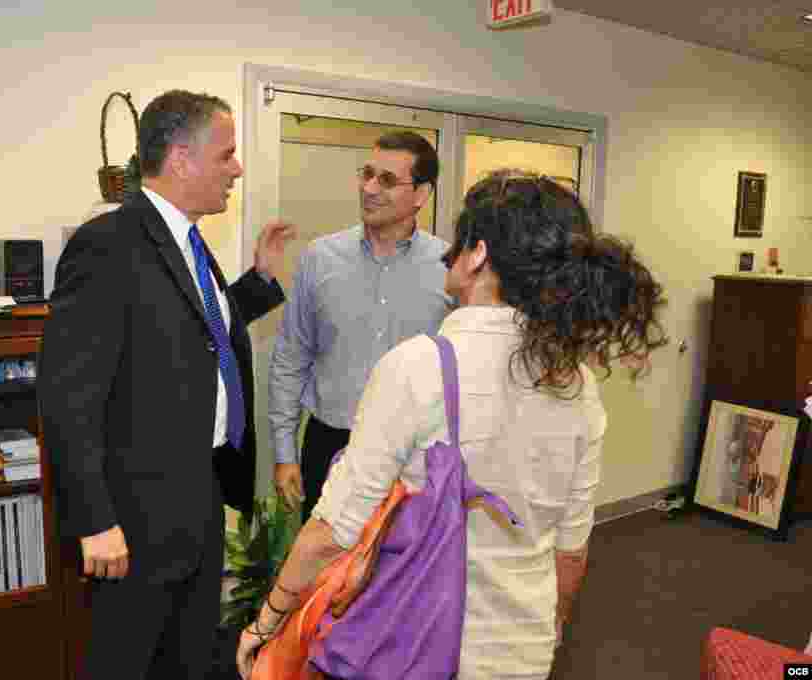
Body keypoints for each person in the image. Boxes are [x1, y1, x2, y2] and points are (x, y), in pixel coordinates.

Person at [238, 170, 667, 680]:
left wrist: (266, 622)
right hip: (522, 652)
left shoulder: (420, 366)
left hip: (413, 649)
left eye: (460, 241)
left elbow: (333, 531)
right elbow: (571, 551)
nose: (450, 254)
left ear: (479, 255)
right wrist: (551, 628)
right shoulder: (576, 383)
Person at [39, 89, 295, 680]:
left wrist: (257, 283)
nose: (236, 168)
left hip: (198, 495)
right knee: (126, 661)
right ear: (181, 159)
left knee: (186, 659)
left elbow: (195, 326)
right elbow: (67, 395)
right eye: (226, 154)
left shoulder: (189, 241)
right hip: (133, 514)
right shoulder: (109, 244)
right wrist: (95, 520)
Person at [269, 131, 452, 519]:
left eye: (386, 180)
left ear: (421, 195)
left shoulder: (447, 269)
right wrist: (285, 453)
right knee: (323, 574)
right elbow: (291, 357)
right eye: (367, 174)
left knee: (405, 575)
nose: (369, 188)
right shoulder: (320, 258)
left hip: (414, 454)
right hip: (331, 445)